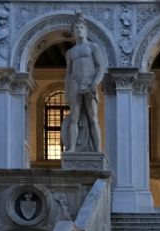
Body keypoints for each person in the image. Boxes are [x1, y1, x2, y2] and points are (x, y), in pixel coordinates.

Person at [64, 12, 106, 153]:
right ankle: (71, 148)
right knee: (74, 117)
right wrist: (67, 91)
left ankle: (98, 149)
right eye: (76, 28)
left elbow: (100, 67)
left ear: (86, 30)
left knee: (93, 117)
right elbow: (69, 74)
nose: (79, 30)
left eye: (81, 27)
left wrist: (95, 83)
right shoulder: (71, 52)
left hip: (89, 83)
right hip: (75, 84)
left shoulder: (93, 47)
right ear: (73, 32)